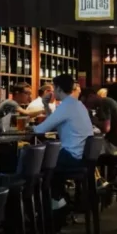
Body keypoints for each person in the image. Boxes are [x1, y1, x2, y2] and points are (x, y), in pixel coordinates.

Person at [34, 74, 94, 204]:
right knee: (47, 160)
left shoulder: (66, 106)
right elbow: (54, 123)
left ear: (59, 89)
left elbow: (41, 129)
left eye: (54, 89)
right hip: (82, 156)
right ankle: (59, 200)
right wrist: (46, 106)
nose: (53, 92)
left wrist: (26, 129)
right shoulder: (77, 104)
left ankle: (54, 203)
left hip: (72, 156)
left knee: (36, 162)